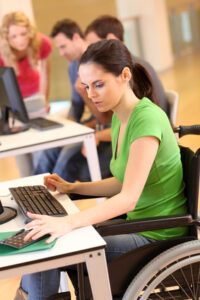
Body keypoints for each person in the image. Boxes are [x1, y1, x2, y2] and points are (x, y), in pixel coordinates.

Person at [17, 39, 187, 300]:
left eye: (99, 85)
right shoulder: (121, 116)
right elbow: (122, 182)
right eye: (86, 86)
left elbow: (128, 198)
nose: (91, 94)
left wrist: (69, 222)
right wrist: (73, 188)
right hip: (137, 226)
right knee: (43, 235)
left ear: (125, 76)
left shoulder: (146, 118)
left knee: (49, 243)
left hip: (157, 235)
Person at [33, 19, 113, 183]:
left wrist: (84, 93)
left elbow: (106, 116)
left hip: (105, 126)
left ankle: (52, 205)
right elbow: (76, 106)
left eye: (63, 46)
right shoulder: (72, 67)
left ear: (77, 37)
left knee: (66, 154)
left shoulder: (98, 63)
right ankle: (33, 195)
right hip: (93, 123)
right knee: (49, 149)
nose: (61, 53)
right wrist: (68, 128)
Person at [0, 11, 52, 111]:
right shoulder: (1, 52)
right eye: (14, 36)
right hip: (11, 97)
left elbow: (45, 75)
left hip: (35, 92)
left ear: (30, 31)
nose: (20, 40)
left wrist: (43, 101)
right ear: (6, 38)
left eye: (23, 34)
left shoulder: (42, 42)